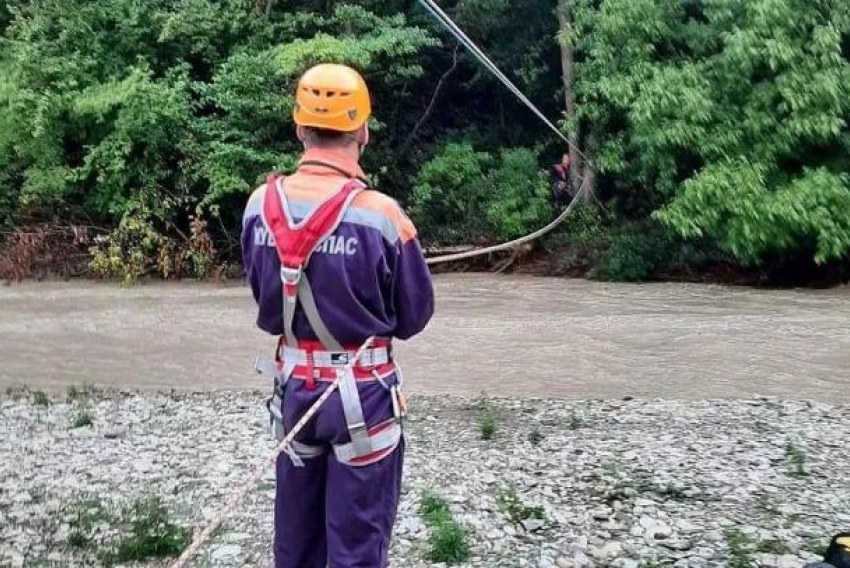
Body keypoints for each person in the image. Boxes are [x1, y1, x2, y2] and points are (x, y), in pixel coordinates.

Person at [241, 63, 435, 568]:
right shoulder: (384, 216)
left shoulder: (258, 207)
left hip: (294, 391)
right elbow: (414, 316)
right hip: (363, 396)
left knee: (296, 546)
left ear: (299, 127)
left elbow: (265, 302)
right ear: (364, 131)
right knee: (357, 549)